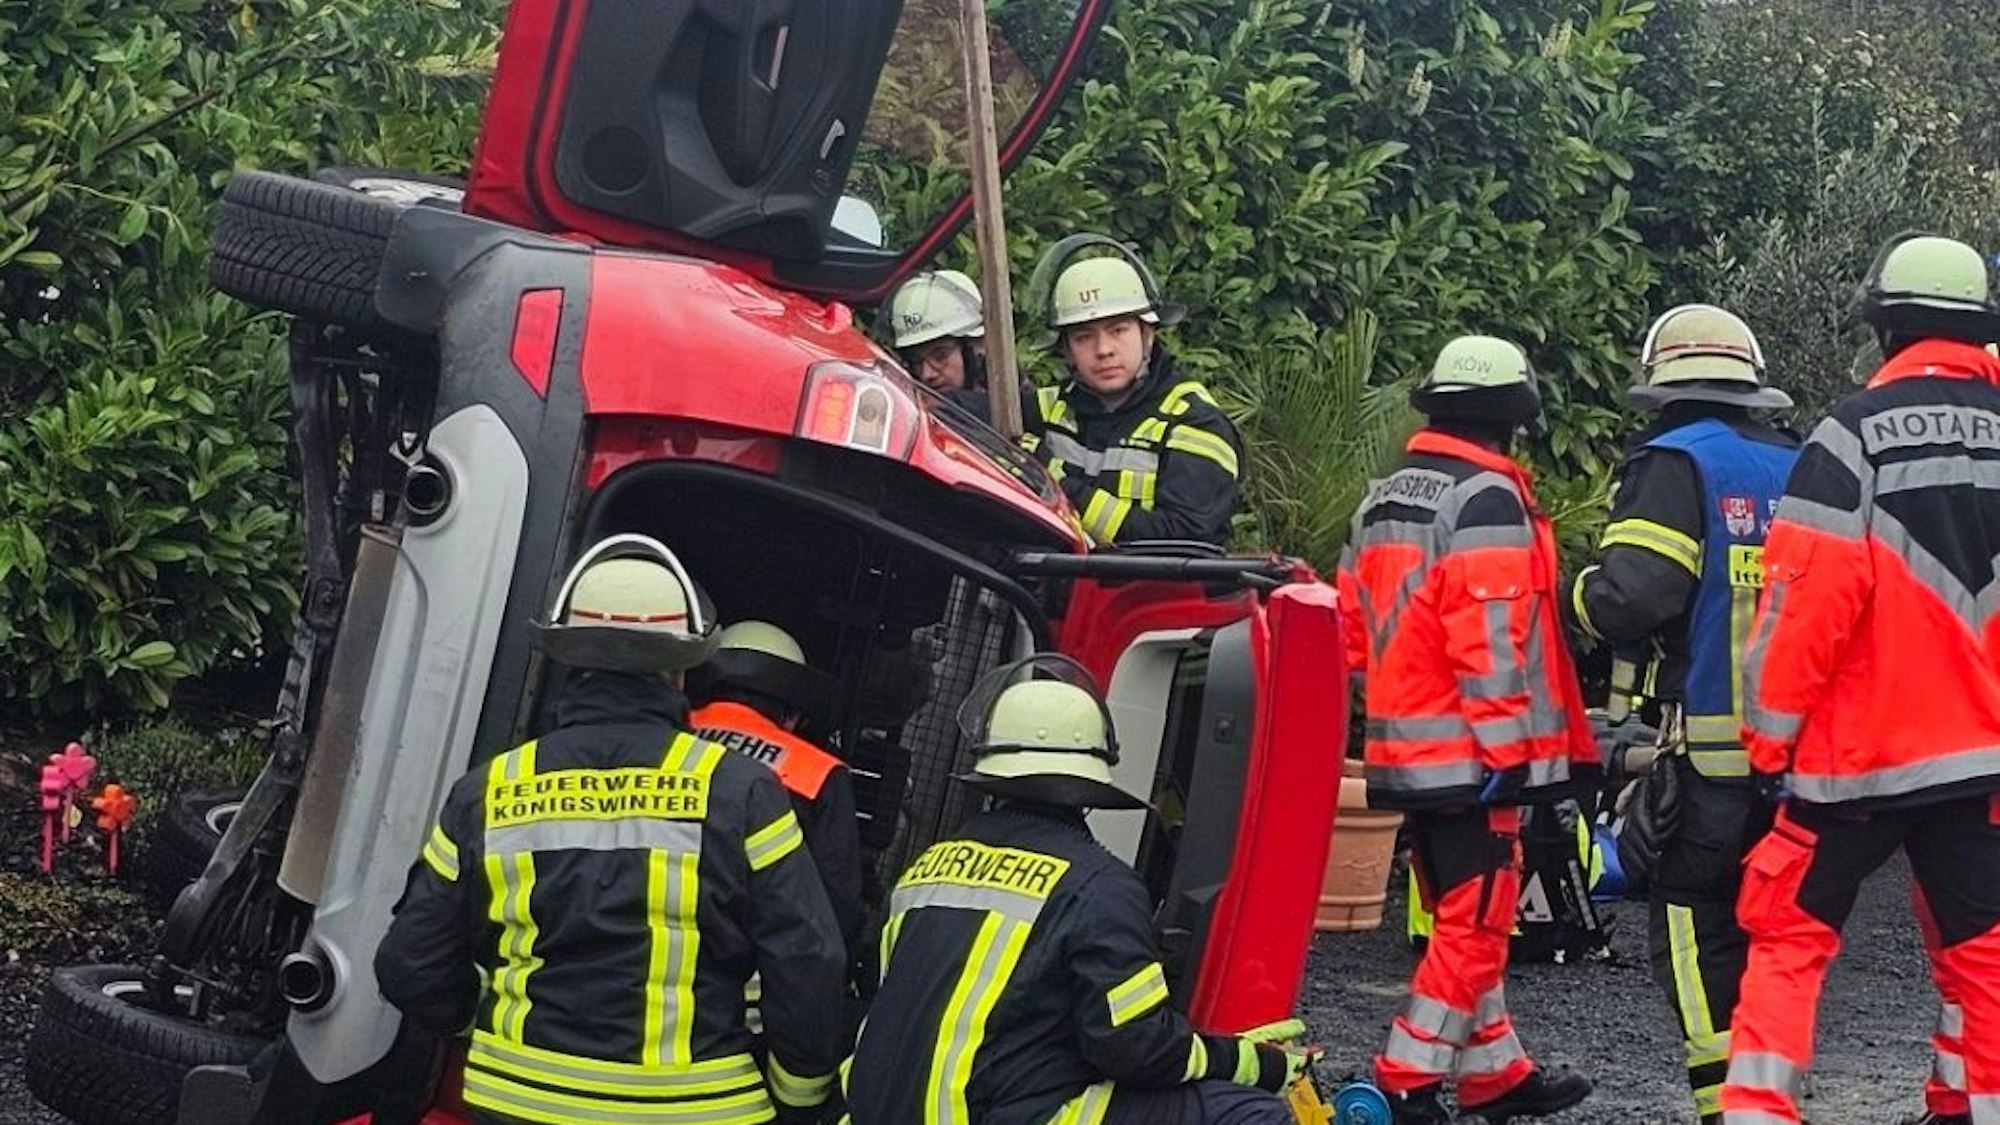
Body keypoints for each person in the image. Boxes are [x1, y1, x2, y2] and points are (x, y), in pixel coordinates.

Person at [374, 535, 848, 1125]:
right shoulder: (741, 793)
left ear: (568, 659)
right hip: (692, 1111)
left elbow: (408, 965)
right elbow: (808, 963)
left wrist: (482, 1014)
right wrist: (801, 1097)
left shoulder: (488, 791)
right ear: (681, 669)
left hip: (519, 1103)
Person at [1721, 232, 2000, 1125]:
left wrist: (1769, 741)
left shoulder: (1849, 437)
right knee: (1986, 954)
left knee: (1790, 936)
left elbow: (1805, 606)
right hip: (1983, 758)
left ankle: (1761, 1112)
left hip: (1854, 761)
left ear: (1884, 328)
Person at [843, 653, 1312, 1125]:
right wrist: (1250, 1061)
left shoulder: (926, 870)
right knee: (1251, 1113)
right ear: (1092, 779)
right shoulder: (1098, 887)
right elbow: (1137, 1049)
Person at [1344, 335, 1596, 1123]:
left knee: (1465, 908)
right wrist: (1510, 749)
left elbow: (1351, 625)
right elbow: (1489, 640)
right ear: (1510, 420)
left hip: (1402, 746)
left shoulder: (1383, 497)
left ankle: (1495, 1071)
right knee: (1479, 915)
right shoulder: (1486, 499)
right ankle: (1405, 1076)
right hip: (1469, 752)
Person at [1567, 304, 1800, 1124]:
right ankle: (1768, 1098)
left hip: (1708, 761)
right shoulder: (1796, 463)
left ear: (1660, 385)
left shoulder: (1672, 463)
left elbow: (1633, 595)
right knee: (1779, 938)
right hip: (1800, 763)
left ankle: (1728, 1109)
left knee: (1696, 935)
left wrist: (1577, 599)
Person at [1021, 235, 1242, 548]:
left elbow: (1183, 538)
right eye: (1084, 337)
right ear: (1067, 351)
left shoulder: (1195, 422)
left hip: (1159, 596)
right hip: (1071, 593)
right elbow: (963, 410)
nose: (1103, 350)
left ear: (1148, 334)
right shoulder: (1050, 408)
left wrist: (1053, 480)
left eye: (1118, 330)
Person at [690, 620, 863, 954]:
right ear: (793, 715)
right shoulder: (819, 773)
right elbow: (836, 907)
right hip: (744, 975)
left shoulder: (661, 735)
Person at [887, 269, 989, 397]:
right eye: (916, 362)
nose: (927, 374)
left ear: (977, 347)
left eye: (940, 356)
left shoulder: (1017, 405)